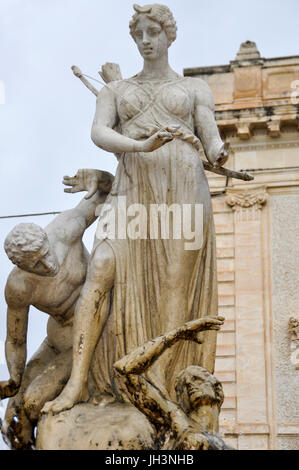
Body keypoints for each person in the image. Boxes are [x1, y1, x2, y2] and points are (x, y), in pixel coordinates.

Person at [42, 3, 228, 414]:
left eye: (153, 32)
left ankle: (160, 380)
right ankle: (77, 382)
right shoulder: (115, 91)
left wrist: (218, 152)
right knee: (102, 266)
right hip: (132, 189)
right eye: (139, 34)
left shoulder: (195, 87)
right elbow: (100, 132)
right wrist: (141, 146)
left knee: (175, 287)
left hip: (182, 189)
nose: (146, 40)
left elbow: (210, 133)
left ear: (169, 35)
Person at [0, 169, 113, 449]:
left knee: (34, 402)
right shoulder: (18, 286)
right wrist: (15, 377)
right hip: (56, 337)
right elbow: (15, 339)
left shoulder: (65, 228)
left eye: (45, 253)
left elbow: (107, 191)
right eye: (35, 264)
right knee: (13, 417)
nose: (47, 264)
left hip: (93, 328)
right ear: (20, 266)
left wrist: (98, 176)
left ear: (47, 240)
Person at [113, 315, 229, 450]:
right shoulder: (176, 418)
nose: (189, 383)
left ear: (217, 390)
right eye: (183, 385)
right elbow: (125, 369)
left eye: (197, 378)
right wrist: (179, 333)